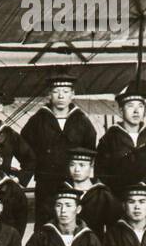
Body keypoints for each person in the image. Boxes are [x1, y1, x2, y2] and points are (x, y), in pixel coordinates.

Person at [21, 73, 97, 223]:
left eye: (66, 91)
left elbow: (90, 150)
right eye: (56, 91)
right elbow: (25, 149)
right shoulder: (38, 120)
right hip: (46, 182)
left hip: (73, 182)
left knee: (74, 221)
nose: (61, 96)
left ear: (72, 95)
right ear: (50, 95)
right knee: (45, 222)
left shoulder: (82, 121)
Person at [44, 147, 119, 238]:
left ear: (91, 166)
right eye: (72, 165)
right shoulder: (59, 192)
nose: (76, 170)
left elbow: (114, 230)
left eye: (82, 165)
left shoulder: (103, 195)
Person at [96, 87, 146, 195]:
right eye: (130, 106)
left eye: (140, 106)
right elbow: (101, 174)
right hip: (118, 195)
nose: (136, 111)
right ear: (121, 110)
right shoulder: (109, 139)